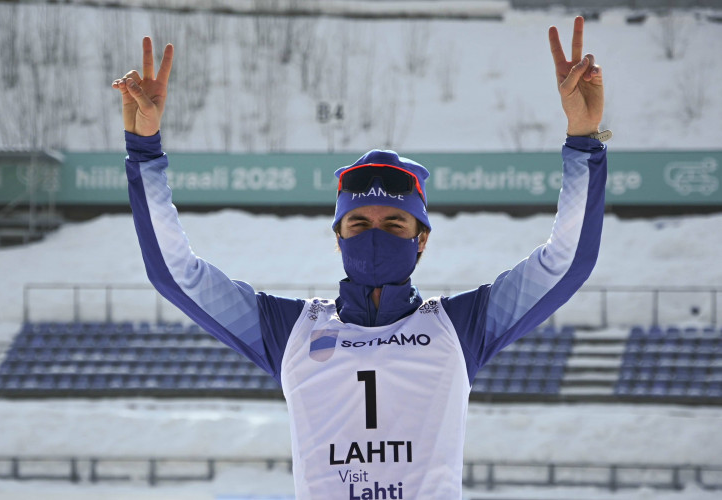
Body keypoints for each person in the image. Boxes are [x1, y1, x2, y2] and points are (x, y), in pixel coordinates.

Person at [112, 16, 607, 499]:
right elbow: (177, 274)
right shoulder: (292, 330)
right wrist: (145, 151)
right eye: (358, 223)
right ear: (338, 237)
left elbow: (564, 263)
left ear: (422, 239)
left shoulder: (460, 327)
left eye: (394, 224)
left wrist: (584, 141)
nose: (375, 235)